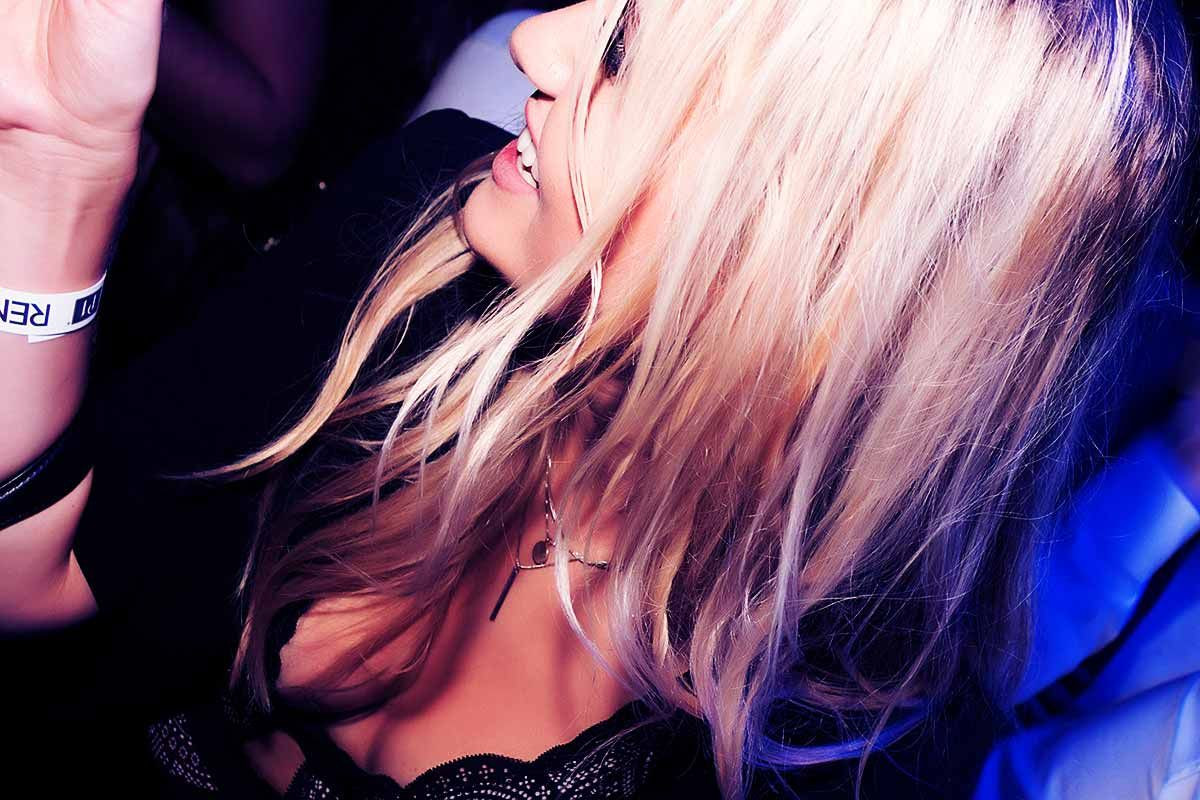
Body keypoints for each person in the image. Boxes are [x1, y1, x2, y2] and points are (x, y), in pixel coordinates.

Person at [0, 2, 1194, 799]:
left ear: (816, 259)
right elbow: (33, 582)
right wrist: (63, 162)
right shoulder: (436, 231)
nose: (537, 43)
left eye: (626, 50)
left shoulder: (851, 724)